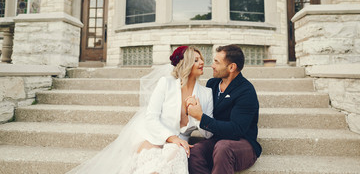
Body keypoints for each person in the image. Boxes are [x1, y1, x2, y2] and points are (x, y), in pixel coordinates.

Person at [67, 46, 213, 174]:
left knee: (177, 152)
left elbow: (208, 134)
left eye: (201, 59)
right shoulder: (166, 84)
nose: (202, 62)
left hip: (180, 142)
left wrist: (198, 115)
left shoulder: (206, 94)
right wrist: (171, 137)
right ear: (186, 64)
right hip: (152, 133)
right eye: (196, 60)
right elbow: (151, 117)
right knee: (151, 158)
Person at [187, 44, 262, 174]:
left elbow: (236, 130)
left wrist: (201, 117)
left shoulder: (246, 91)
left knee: (223, 148)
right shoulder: (212, 84)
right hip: (217, 140)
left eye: (217, 62)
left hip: (242, 143)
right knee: (195, 151)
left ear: (232, 67)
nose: (212, 65)